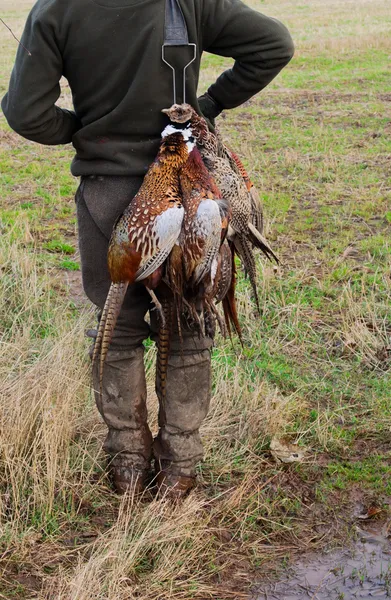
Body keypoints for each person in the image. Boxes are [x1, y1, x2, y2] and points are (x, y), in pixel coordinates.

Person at [2, 0, 294, 499]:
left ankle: (127, 466)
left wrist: (83, 132)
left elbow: (25, 113)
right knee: (188, 323)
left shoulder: (56, 9)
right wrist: (207, 105)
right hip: (190, 192)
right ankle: (180, 469)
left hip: (107, 192)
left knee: (116, 330)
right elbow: (274, 45)